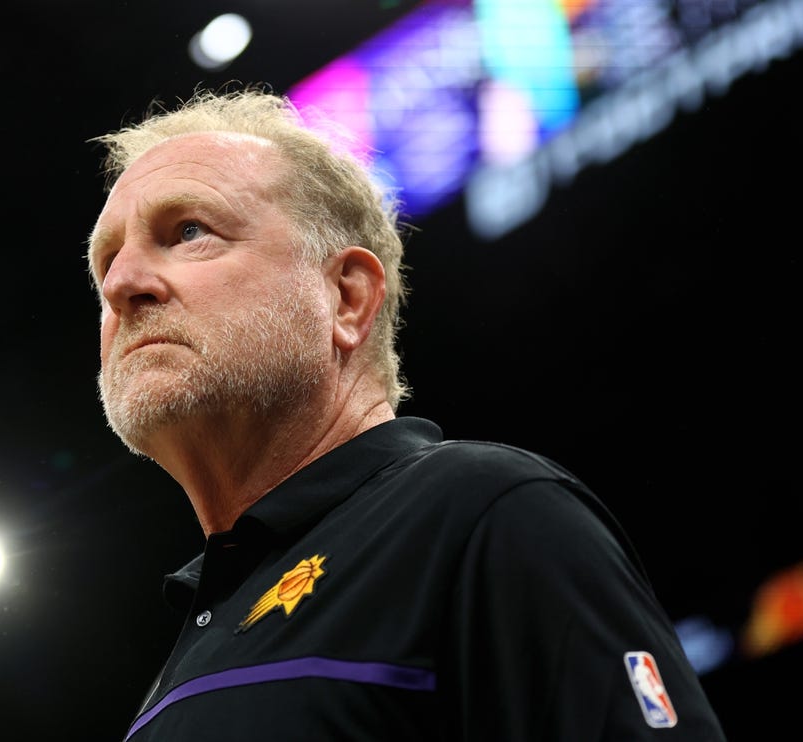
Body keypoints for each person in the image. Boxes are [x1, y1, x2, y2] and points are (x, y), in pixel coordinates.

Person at [85, 86, 728, 741]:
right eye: (106, 261)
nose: (120, 284)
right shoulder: (182, 659)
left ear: (346, 296)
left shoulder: (484, 511)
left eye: (189, 231)